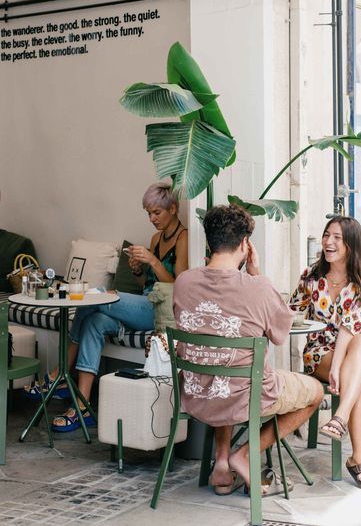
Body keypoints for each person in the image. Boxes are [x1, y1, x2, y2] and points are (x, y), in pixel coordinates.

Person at [173, 204, 323, 495]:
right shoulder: (257, 287)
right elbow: (281, 333)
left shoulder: (183, 282)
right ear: (245, 244)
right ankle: (244, 454)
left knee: (224, 373)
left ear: (209, 241)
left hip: (196, 393)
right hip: (244, 395)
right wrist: (257, 276)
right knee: (315, 392)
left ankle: (221, 465)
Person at [25, 181, 188, 432]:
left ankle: (59, 374)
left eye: (157, 212)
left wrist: (153, 261)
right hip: (143, 303)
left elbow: (179, 284)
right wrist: (137, 271)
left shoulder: (184, 238)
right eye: (148, 213)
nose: (151, 219)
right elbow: (147, 284)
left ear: (173, 209)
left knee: (98, 295)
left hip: (159, 310)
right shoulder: (157, 238)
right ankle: (81, 405)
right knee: (94, 321)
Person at [289, 216, 361, 490]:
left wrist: (338, 364)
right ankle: (359, 458)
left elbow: (351, 327)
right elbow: (291, 310)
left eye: (337, 238)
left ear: (352, 245)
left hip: (356, 348)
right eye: (326, 235)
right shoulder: (311, 277)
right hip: (321, 353)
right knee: (360, 374)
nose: (328, 242)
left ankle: (339, 417)